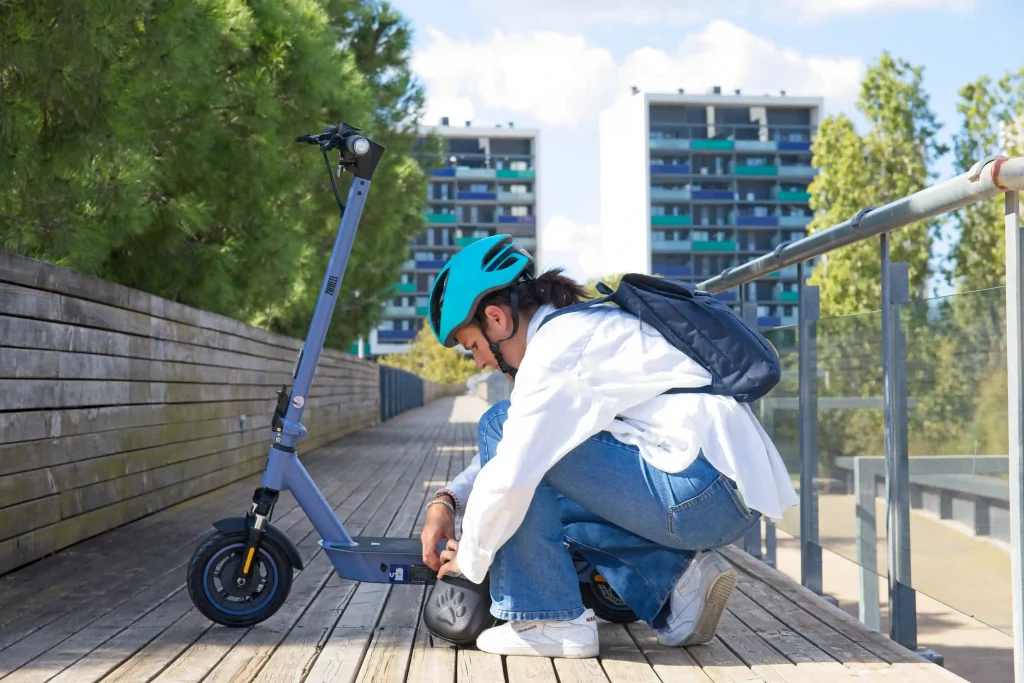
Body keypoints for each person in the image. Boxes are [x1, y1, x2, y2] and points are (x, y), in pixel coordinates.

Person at [419, 234, 798, 658]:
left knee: (500, 430)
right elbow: (525, 449)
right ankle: (678, 577)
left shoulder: (556, 352)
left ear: (496, 318)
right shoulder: (576, 329)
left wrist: (469, 563)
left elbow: (510, 467)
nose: (481, 363)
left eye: (473, 347)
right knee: (539, 489)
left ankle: (549, 618)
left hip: (699, 492)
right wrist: (448, 499)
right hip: (722, 493)